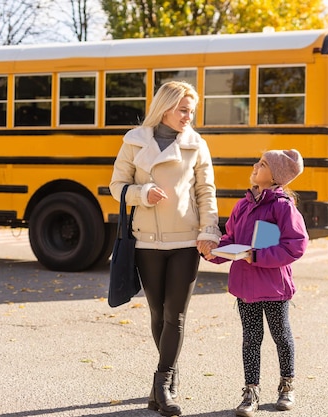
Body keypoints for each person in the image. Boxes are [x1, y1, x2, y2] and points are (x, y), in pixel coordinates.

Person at [109, 81, 221, 417]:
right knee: (158, 313)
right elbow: (116, 186)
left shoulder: (196, 144)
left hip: (186, 241)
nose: (189, 116)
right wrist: (142, 194)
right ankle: (167, 382)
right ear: (166, 108)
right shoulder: (134, 141)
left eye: (192, 111)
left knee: (177, 314)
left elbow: (206, 192)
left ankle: (162, 383)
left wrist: (209, 229)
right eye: (184, 109)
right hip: (145, 241)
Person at [205, 149, 308, 416]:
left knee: (281, 337)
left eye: (262, 164)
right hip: (245, 288)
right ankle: (251, 391)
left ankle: (287, 385)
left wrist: (258, 255)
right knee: (251, 340)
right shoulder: (243, 205)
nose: (255, 166)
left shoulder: (283, 206)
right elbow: (231, 239)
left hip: (274, 288)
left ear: (275, 176)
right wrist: (213, 252)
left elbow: (295, 246)